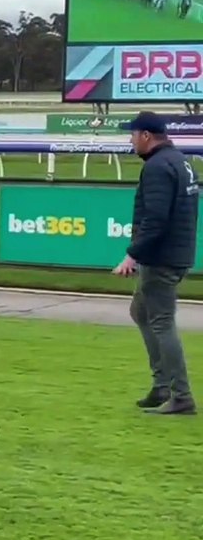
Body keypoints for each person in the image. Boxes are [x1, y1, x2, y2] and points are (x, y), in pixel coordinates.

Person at [113, 111, 200, 416]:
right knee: (140, 311)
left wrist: (132, 254)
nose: (131, 139)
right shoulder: (179, 160)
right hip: (176, 252)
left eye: (133, 134)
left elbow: (156, 219)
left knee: (161, 321)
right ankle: (162, 384)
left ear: (146, 136)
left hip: (162, 257)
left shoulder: (158, 167)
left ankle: (180, 394)